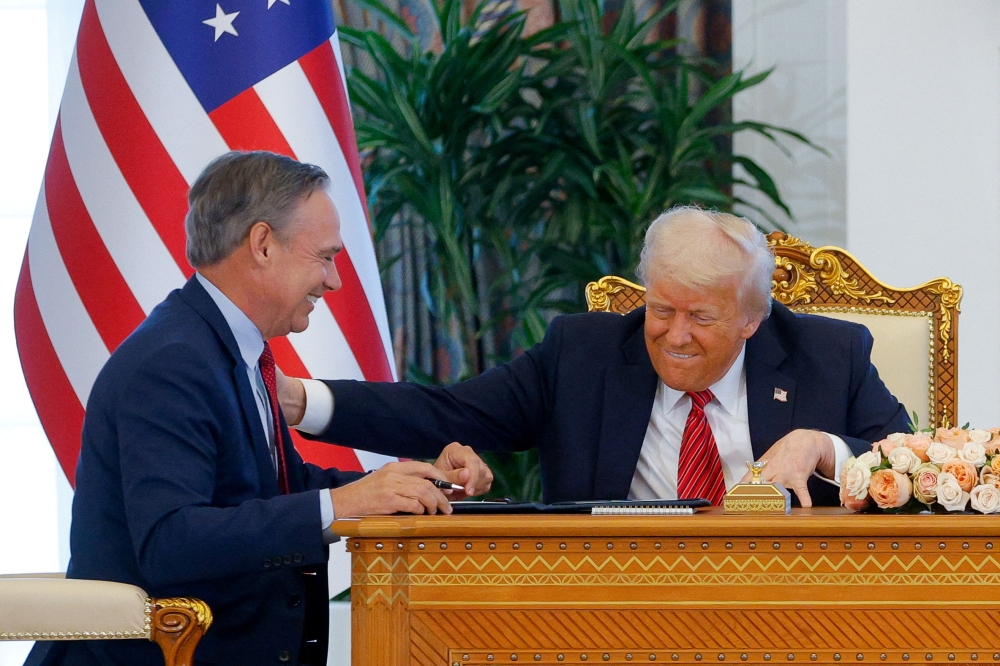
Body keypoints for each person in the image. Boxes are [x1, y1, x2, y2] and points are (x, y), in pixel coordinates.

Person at [26, 151, 492, 666]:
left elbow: (274, 488)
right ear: (263, 244)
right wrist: (343, 504)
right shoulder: (172, 362)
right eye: (324, 256)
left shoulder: (225, 348)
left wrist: (411, 486)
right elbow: (171, 540)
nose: (334, 281)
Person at [280, 207, 910, 508]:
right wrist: (302, 401)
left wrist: (823, 448)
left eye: (701, 317)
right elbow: (445, 412)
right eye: (661, 309)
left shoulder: (828, 356)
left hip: (786, 613)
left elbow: (913, 463)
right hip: (609, 610)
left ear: (752, 319)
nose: (675, 336)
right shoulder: (583, 355)